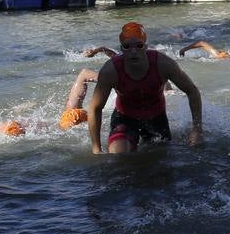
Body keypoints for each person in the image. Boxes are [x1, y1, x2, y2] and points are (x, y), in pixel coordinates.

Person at [87, 22, 203, 153]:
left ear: (145, 47)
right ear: (121, 49)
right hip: (124, 118)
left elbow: (192, 91)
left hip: (156, 118)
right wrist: (96, 148)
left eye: (139, 46)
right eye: (127, 47)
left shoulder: (163, 64)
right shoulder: (110, 71)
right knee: (118, 155)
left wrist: (197, 130)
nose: (133, 51)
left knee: (159, 163)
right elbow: (95, 108)